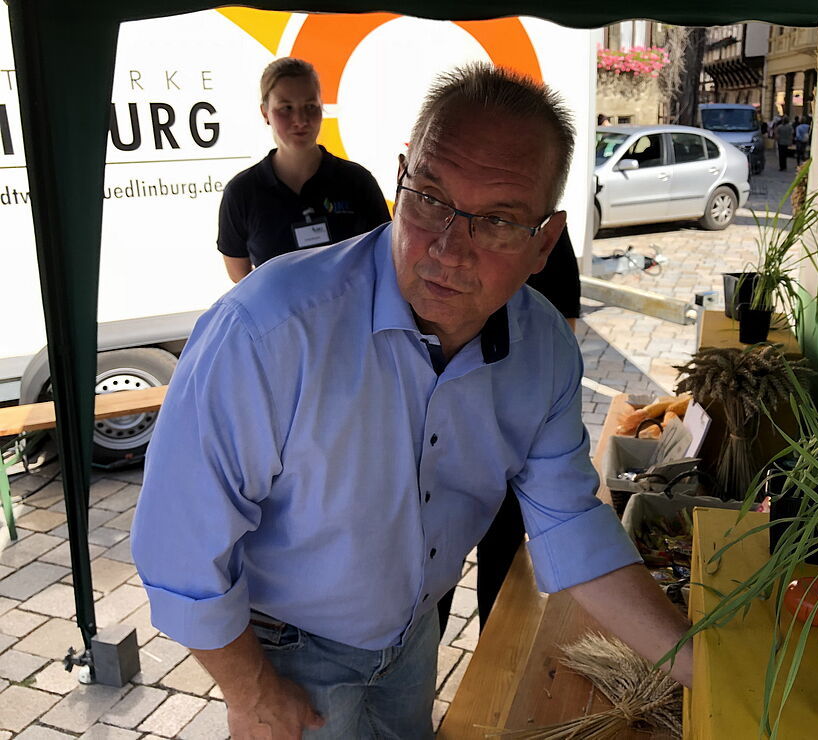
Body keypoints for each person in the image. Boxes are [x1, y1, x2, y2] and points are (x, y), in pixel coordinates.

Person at [132, 63, 692, 739]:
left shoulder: (541, 349)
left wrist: (700, 667)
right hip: (283, 654)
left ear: (545, 241)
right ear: (400, 179)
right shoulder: (269, 329)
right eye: (430, 198)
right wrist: (250, 693)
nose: (448, 251)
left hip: (413, 636)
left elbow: (568, 523)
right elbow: (177, 546)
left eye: (496, 220)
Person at [436, 225, 580, 637]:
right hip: (446, 433)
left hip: (512, 432)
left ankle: (492, 653)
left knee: (501, 565)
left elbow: (563, 324)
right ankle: (426, 651)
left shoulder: (543, 234)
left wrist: (511, 390)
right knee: (431, 568)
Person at [217, 58, 391, 282]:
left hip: (352, 316)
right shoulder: (242, 193)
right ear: (265, 113)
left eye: (310, 106)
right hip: (280, 318)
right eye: (286, 108)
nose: (300, 120)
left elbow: (384, 258)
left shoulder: (357, 182)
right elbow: (241, 278)